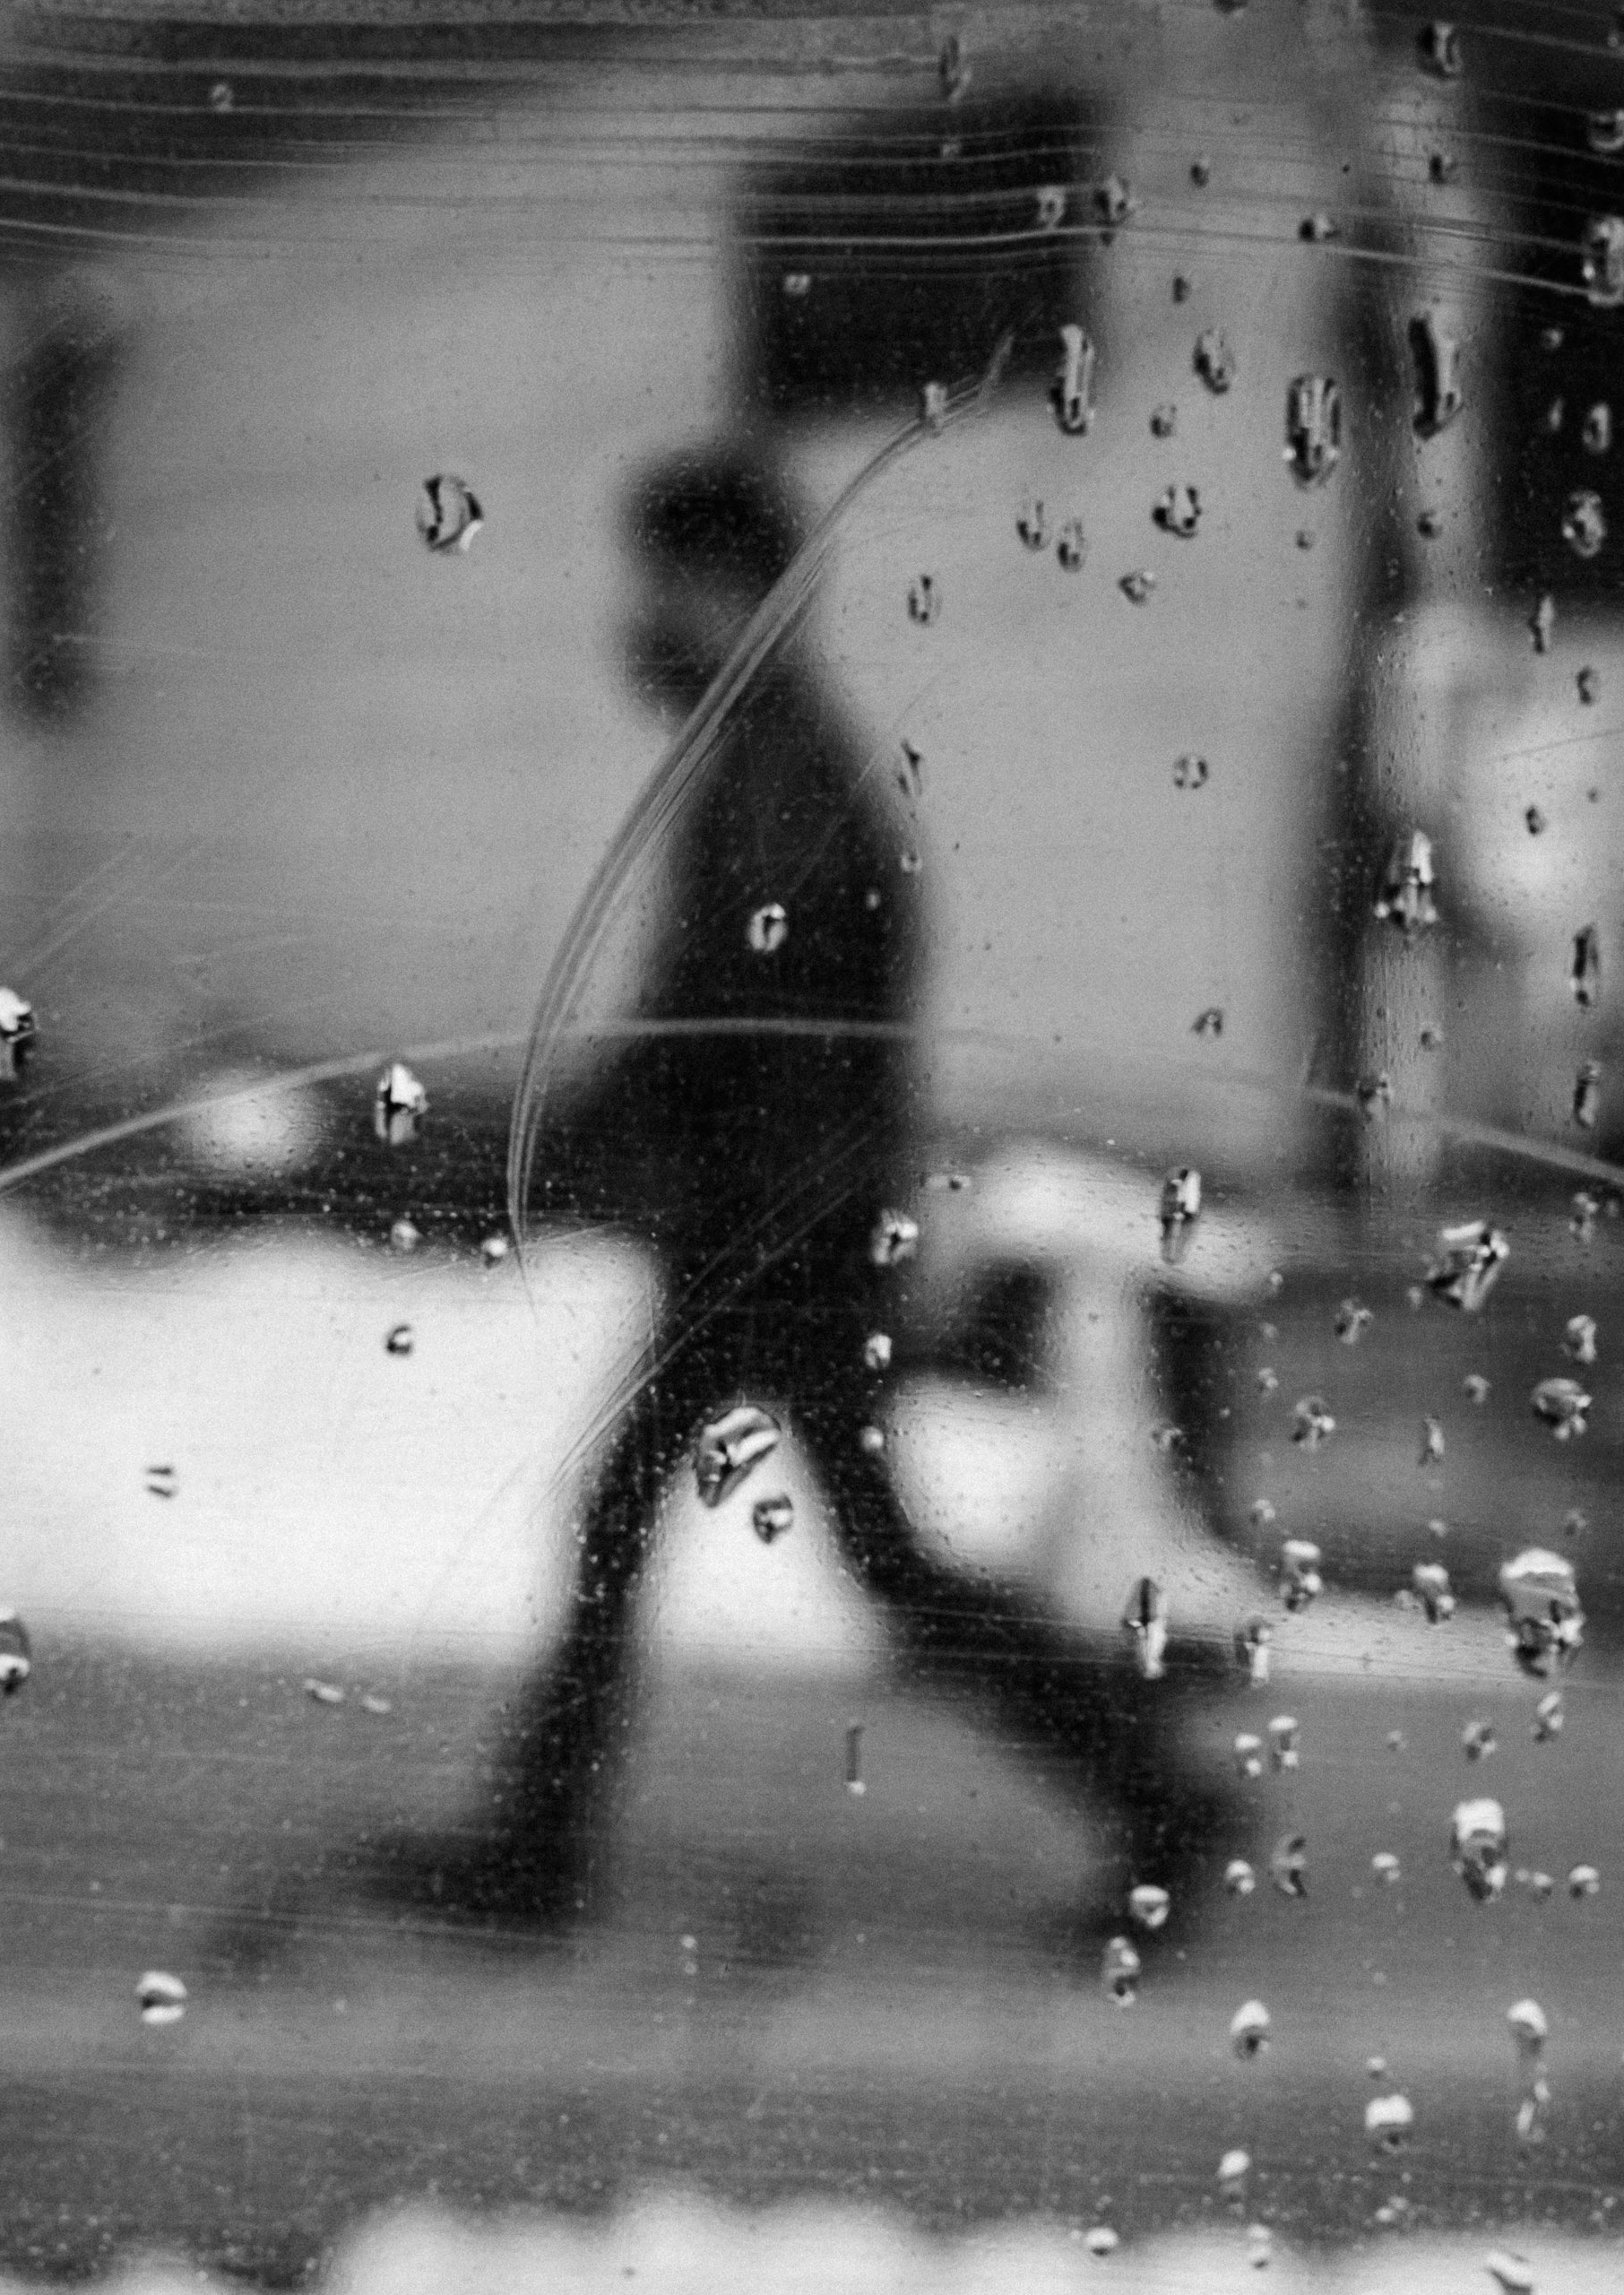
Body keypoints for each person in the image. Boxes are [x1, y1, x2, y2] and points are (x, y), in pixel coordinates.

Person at [394, 443, 1236, 1937]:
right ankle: (1159, 1798)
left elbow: (724, 1022)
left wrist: (568, 1143)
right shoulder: (767, 752)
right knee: (801, 1550)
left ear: (731, 590)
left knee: (776, 1549)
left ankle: (537, 1865)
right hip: (778, 1221)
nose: (641, 617)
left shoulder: (780, 771)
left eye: (665, 585)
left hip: (775, 1232)